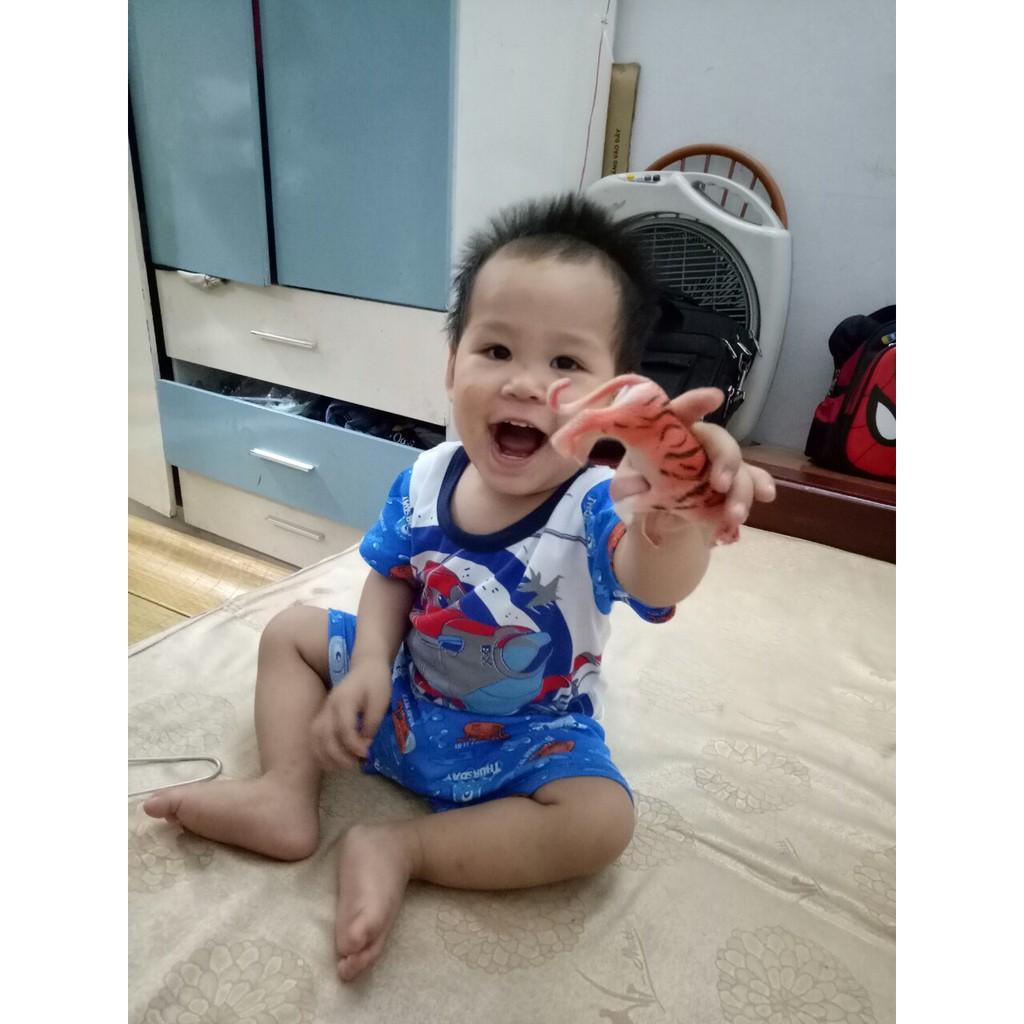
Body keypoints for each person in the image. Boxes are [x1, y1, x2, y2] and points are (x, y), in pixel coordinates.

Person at [143, 193, 776, 982]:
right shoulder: (427, 476)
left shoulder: (598, 504)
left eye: (567, 365)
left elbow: (654, 577)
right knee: (289, 630)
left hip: (525, 738)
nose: (526, 383)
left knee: (603, 821)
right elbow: (391, 578)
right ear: (452, 365)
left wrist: (675, 517)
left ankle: (403, 848)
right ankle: (283, 795)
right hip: (405, 698)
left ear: (617, 400)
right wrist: (369, 663)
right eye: (497, 349)